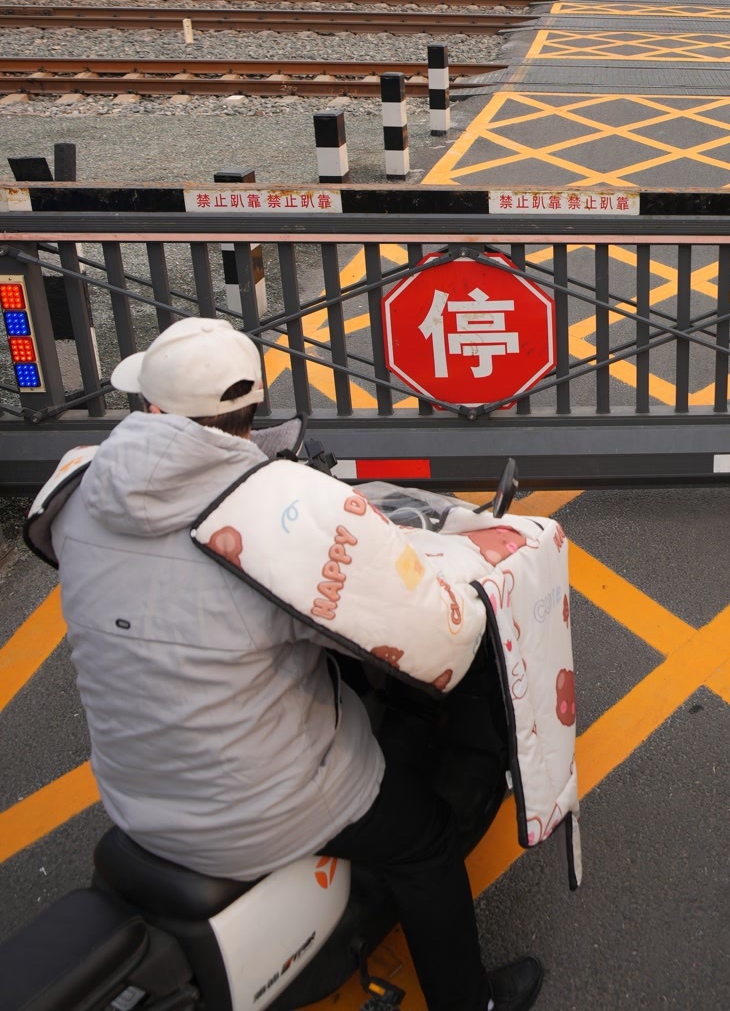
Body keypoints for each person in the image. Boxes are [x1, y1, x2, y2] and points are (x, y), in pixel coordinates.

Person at [41, 318, 542, 1011]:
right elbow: (429, 640)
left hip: (132, 795)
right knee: (424, 840)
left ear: (151, 407)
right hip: (260, 810)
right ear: (253, 407)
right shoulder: (279, 517)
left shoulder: (76, 488)